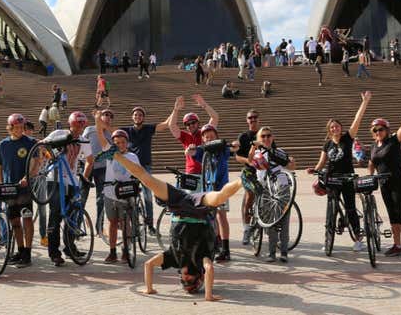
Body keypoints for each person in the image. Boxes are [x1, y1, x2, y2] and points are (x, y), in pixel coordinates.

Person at [92, 134, 258, 301]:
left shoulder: (174, 259)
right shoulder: (200, 260)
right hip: (197, 210)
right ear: (198, 277)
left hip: (178, 206)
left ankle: (115, 155)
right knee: (219, 197)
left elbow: (149, 265)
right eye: (190, 281)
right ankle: (242, 180)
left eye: (183, 281)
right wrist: (208, 295)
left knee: (145, 178)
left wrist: (149, 289)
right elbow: (210, 269)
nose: (185, 278)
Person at [309, 91, 371, 252]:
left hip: (347, 178)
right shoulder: (327, 144)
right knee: (331, 209)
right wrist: (315, 170)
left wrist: (364, 102)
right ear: (329, 130)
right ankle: (328, 240)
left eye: (337, 126)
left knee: (350, 208)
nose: (335, 128)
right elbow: (322, 162)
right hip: (332, 180)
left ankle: (358, 239)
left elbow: (357, 121)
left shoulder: (347, 139)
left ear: (341, 128)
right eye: (332, 127)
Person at [368, 98, 401, 259]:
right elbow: (371, 162)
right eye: (375, 130)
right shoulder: (374, 146)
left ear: (387, 130)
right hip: (383, 183)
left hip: (398, 181)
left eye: (381, 129)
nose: (378, 132)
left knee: (400, 213)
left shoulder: (393, 141)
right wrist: (370, 176)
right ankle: (397, 245)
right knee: (391, 215)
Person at [40, 113, 91, 265]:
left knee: (72, 216)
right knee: (55, 216)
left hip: (72, 180)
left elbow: (90, 160)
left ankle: (70, 248)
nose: (79, 129)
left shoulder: (83, 140)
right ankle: (54, 253)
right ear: (70, 124)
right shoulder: (58, 134)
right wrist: (49, 155)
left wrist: (84, 177)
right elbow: (41, 145)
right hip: (54, 179)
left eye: (82, 126)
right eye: (76, 125)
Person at [187, 125, 239, 262]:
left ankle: (226, 250)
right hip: (209, 189)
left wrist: (235, 145)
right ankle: (215, 244)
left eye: (211, 136)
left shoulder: (222, 150)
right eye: (206, 137)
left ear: (217, 136)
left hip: (222, 189)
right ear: (203, 139)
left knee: (222, 217)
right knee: (211, 218)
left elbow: (233, 149)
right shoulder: (203, 151)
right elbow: (191, 153)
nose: (209, 138)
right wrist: (189, 149)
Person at [94, 114, 140, 263]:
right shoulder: (110, 153)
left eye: (122, 142)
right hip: (110, 193)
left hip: (126, 194)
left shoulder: (133, 156)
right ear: (113, 143)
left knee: (125, 222)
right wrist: (97, 119)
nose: (120, 145)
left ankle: (126, 250)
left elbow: (139, 173)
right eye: (117, 142)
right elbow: (100, 135)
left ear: (127, 143)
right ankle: (112, 251)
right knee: (112, 222)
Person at [121, 106, 172, 234]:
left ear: (143, 118)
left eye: (140, 115)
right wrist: (99, 120)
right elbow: (111, 130)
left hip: (145, 167)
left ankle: (149, 225)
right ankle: (134, 225)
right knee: (129, 196)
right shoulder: (126, 130)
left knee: (148, 196)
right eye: (135, 115)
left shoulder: (148, 129)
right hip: (131, 167)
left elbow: (166, 124)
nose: (137, 117)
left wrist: (175, 109)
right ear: (132, 117)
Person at [251, 126, 296, 262]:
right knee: (270, 223)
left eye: (268, 135)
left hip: (282, 188)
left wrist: (292, 162)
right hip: (265, 190)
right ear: (259, 139)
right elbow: (249, 161)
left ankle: (283, 253)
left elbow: (291, 166)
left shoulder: (279, 152)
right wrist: (254, 147)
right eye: (263, 136)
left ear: (272, 137)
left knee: (284, 222)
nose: (266, 138)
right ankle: (271, 253)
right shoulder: (257, 154)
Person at [0, 113, 36, 267]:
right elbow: (0, 166)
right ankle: (20, 250)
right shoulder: (3, 145)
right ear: (10, 128)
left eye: (21, 127)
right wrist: (0, 183)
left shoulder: (29, 142)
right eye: (16, 127)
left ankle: (28, 252)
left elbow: (36, 163)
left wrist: (28, 177)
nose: (19, 130)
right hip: (9, 188)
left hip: (24, 189)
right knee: (14, 221)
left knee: (26, 218)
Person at [169, 94, 218, 177]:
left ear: (198, 123)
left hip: (207, 172)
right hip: (191, 173)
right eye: (187, 124)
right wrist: (176, 110)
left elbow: (215, 117)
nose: (191, 125)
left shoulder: (204, 133)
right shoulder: (184, 136)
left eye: (193, 122)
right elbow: (172, 126)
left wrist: (204, 105)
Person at [83, 108, 115, 234]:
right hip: (88, 166)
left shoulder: (112, 133)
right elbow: (81, 143)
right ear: (99, 117)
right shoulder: (89, 129)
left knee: (101, 198)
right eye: (104, 114)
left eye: (109, 116)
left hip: (103, 168)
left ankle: (99, 227)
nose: (107, 117)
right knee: (82, 196)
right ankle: (78, 223)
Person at [235, 109, 262, 245]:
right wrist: (248, 161)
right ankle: (246, 229)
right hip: (248, 172)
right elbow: (237, 156)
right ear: (247, 120)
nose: (252, 120)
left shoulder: (264, 134)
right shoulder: (243, 136)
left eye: (254, 117)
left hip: (263, 171)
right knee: (250, 194)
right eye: (250, 118)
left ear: (258, 119)